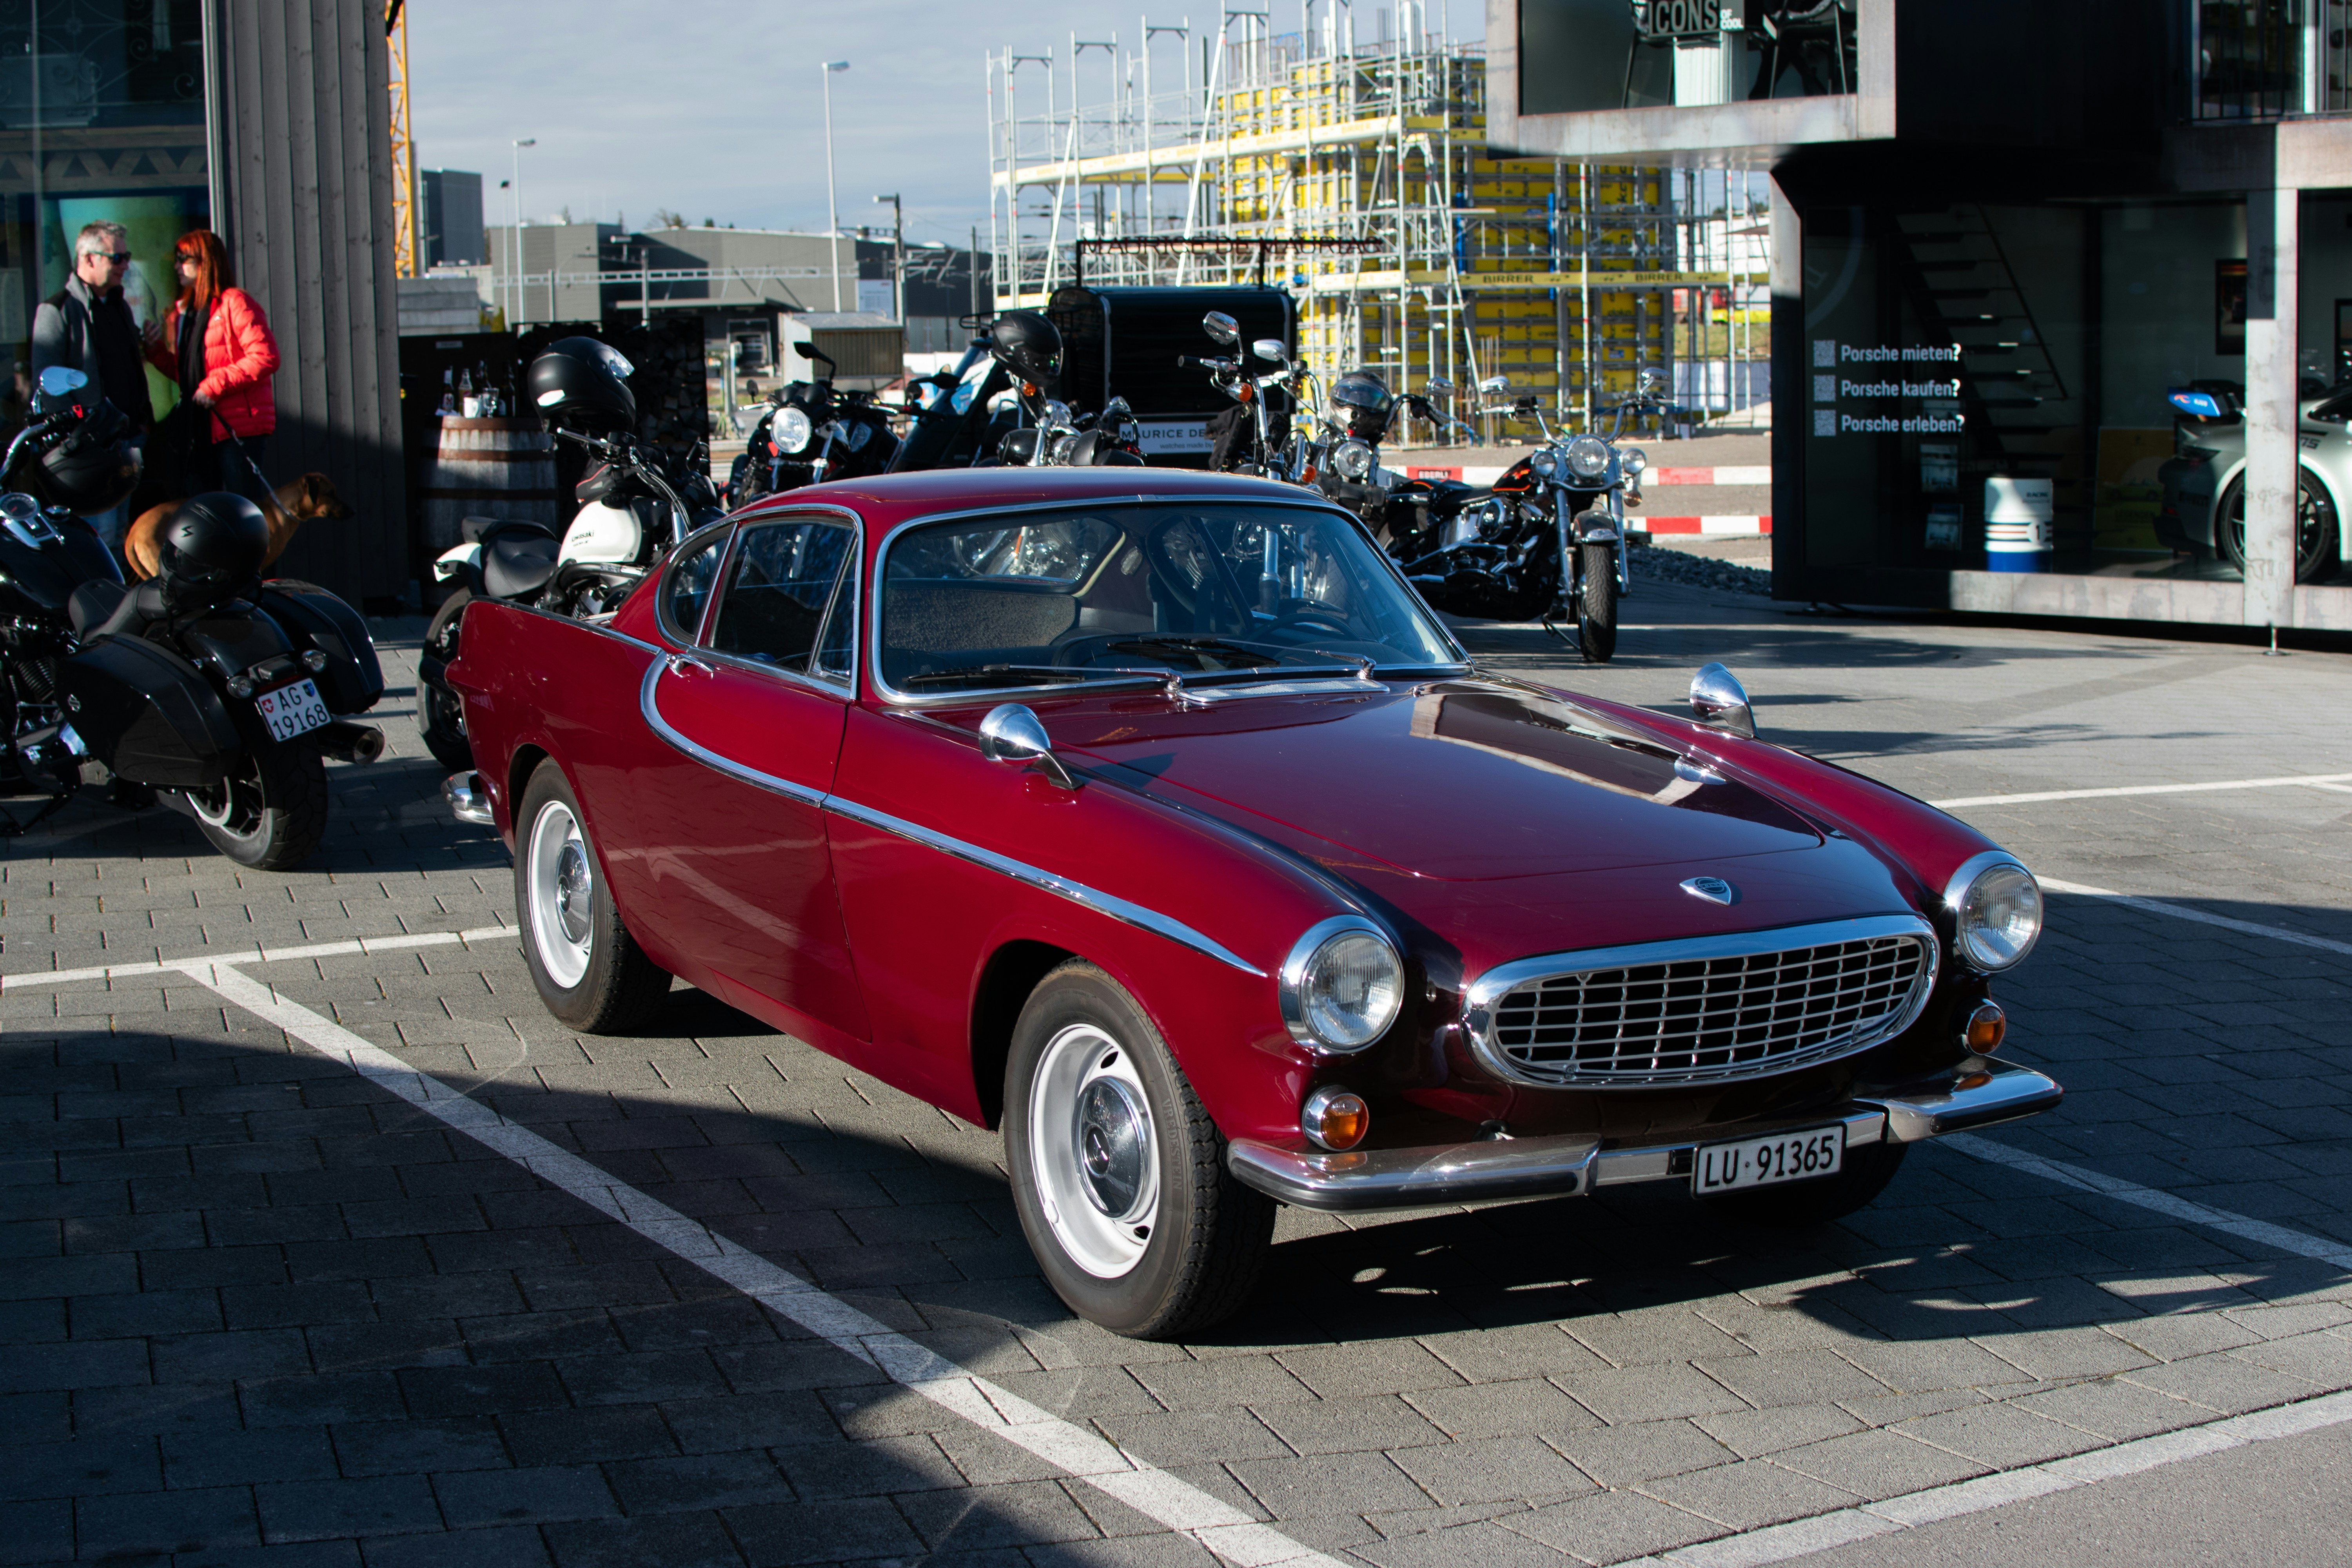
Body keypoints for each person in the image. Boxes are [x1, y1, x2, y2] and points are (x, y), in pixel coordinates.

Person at [31, 221, 158, 550]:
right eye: (117, 258)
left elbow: (127, 368)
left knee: (118, 537)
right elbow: (48, 384)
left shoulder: (119, 307)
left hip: (126, 443)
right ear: (88, 259)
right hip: (91, 453)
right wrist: (82, 439)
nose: (126, 265)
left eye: (126, 256)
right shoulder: (57, 309)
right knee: (98, 539)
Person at [146, 228, 280, 505]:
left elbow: (265, 357)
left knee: (240, 510)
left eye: (183, 258)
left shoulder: (235, 302)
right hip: (200, 427)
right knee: (205, 509)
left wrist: (214, 386)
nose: (176, 266)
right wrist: (155, 351)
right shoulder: (187, 313)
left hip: (236, 427)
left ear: (205, 261)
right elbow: (188, 378)